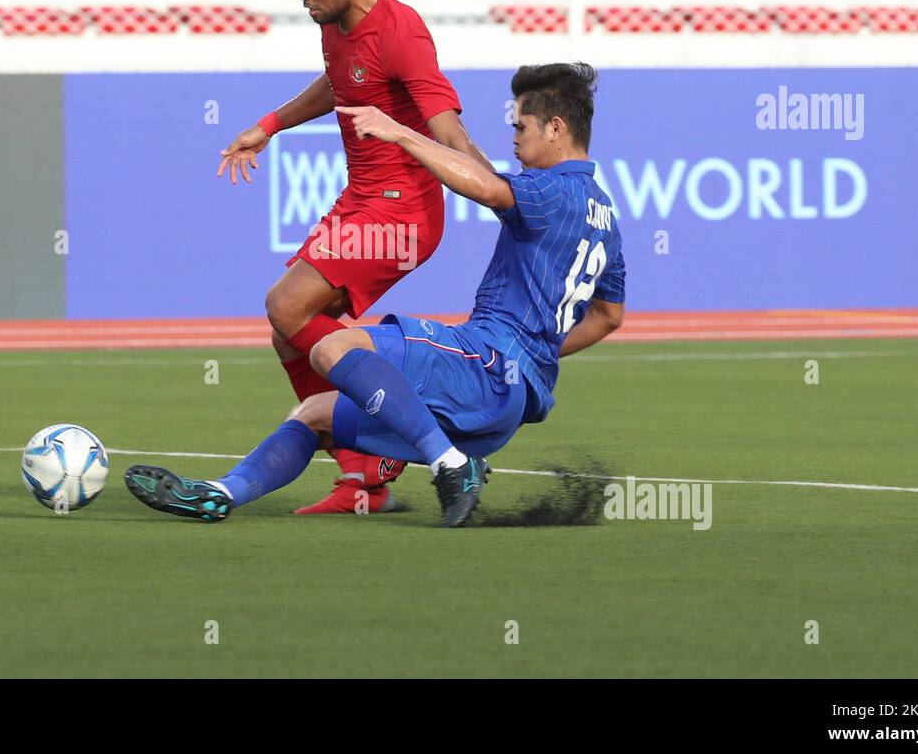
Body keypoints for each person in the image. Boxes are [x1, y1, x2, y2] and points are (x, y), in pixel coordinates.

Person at [127, 63, 626, 528]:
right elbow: (608, 317)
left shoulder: (550, 190)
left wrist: (402, 132)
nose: (514, 138)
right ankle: (219, 495)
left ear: (556, 128)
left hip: (484, 365)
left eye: (521, 126)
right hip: (507, 404)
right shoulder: (604, 217)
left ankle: (450, 463)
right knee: (313, 415)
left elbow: (491, 189)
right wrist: (537, 354)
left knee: (332, 347)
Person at [215, 0, 492, 515]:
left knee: (286, 305)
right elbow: (338, 83)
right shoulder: (336, 24)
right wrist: (271, 125)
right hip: (360, 205)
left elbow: (448, 130)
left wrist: (499, 192)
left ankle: (430, 447)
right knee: (288, 333)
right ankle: (363, 482)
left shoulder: (402, 32)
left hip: (402, 217)